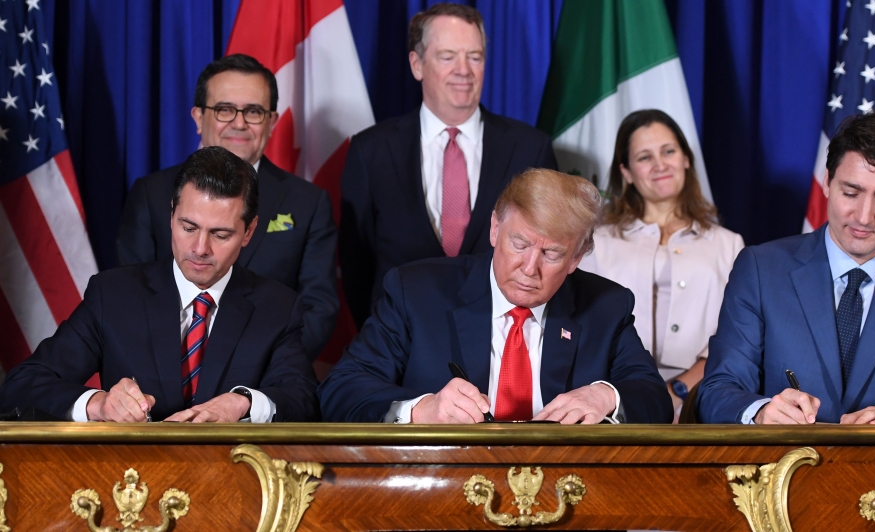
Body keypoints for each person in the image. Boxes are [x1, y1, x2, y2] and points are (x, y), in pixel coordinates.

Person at [697, 112, 875, 425]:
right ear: (827, 183)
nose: (863, 216)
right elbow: (717, 390)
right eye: (851, 193)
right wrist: (762, 412)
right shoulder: (760, 269)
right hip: (781, 466)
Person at [320, 168, 672, 424]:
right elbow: (340, 390)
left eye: (552, 254)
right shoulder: (416, 292)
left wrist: (604, 395)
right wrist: (421, 409)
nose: (529, 267)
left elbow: (654, 398)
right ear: (494, 229)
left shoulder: (606, 306)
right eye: (519, 244)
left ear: (576, 258)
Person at [0, 146, 319, 423]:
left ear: (249, 232)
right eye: (188, 227)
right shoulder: (113, 295)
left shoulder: (276, 307)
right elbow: (22, 385)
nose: (200, 248)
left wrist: (244, 403)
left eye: (220, 234)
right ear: (171, 216)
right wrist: (99, 404)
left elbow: (303, 401)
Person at [339, 3, 558, 329]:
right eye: (447, 56)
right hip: (399, 347)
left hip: (500, 345)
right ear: (417, 64)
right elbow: (357, 268)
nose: (464, 70)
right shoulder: (371, 150)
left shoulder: (530, 148)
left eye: (475, 57)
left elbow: (549, 251)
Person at [117, 54, 337, 361]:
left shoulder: (308, 203)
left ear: (272, 122)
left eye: (254, 112)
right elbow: (129, 296)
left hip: (266, 381)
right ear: (198, 117)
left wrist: (258, 369)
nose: (239, 123)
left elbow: (318, 309)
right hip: (164, 375)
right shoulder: (151, 193)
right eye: (224, 110)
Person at [578, 110, 743, 422]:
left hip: (703, 400)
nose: (660, 165)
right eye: (644, 157)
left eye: (668, 151)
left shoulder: (729, 245)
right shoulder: (597, 243)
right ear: (626, 171)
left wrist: (679, 389)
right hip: (613, 405)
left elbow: (737, 339)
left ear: (686, 159)